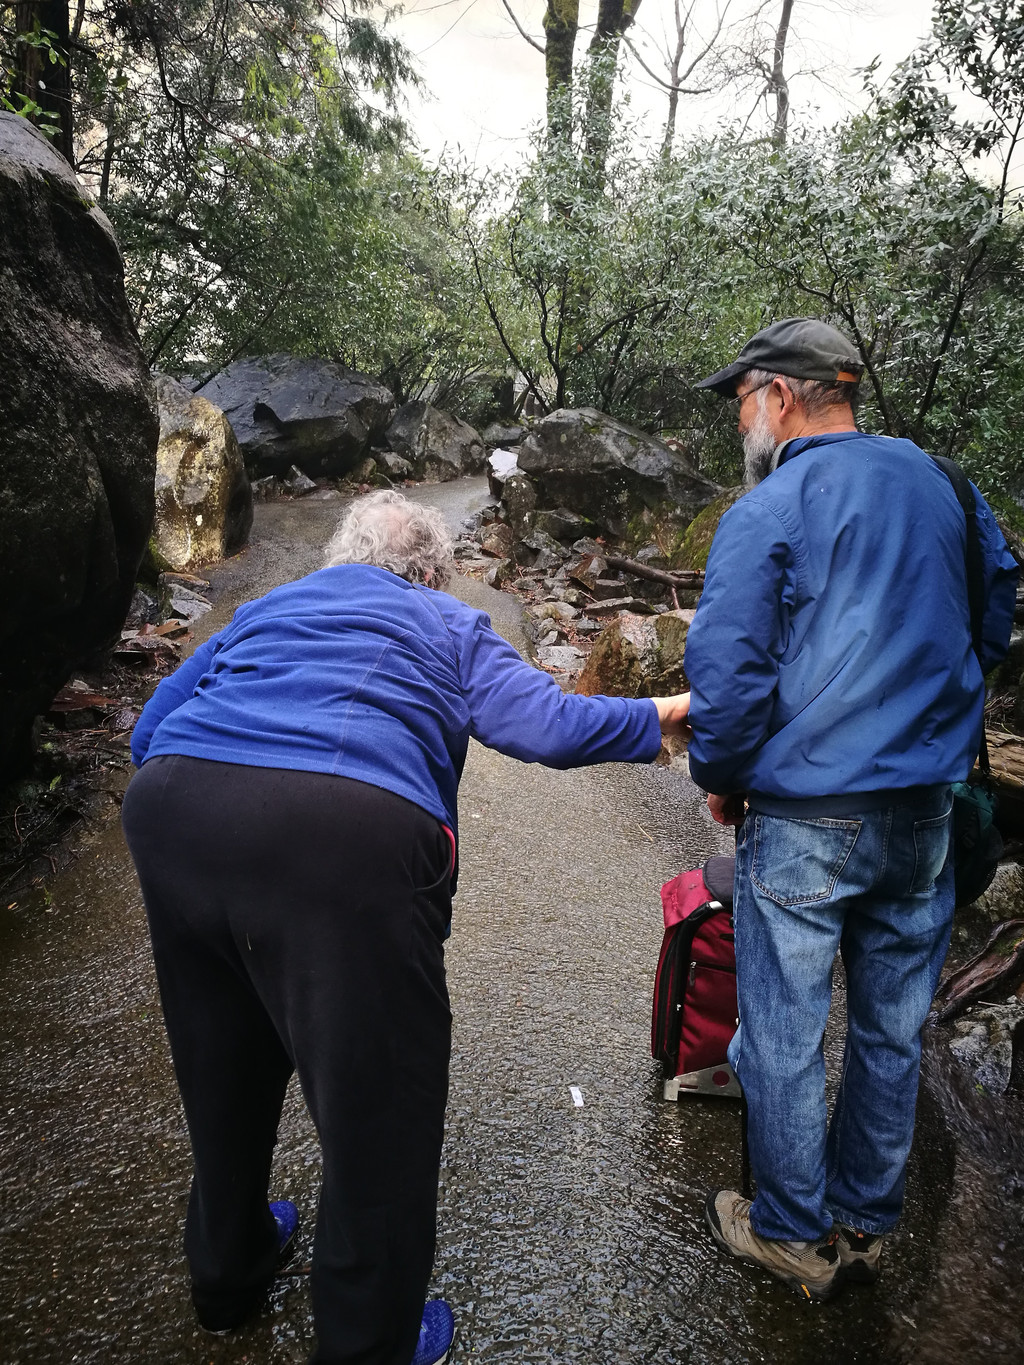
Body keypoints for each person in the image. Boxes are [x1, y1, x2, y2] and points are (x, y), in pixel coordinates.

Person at [121, 490, 692, 1365]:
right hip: (345, 833)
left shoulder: (268, 608)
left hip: (173, 810)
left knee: (220, 1059)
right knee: (377, 1110)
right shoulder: (442, 619)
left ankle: (227, 1272)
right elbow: (543, 723)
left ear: (340, 559)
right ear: (431, 572)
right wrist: (655, 717)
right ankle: (368, 1345)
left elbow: (150, 731)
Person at [683, 318, 1018, 1300]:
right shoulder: (946, 485)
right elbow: (994, 609)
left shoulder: (771, 504)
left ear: (780, 396)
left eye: (741, 399)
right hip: (919, 809)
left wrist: (723, 774)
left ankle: (791, 1232)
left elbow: (730, 671)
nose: (742, 419)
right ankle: (866, 1223)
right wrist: (931, 706)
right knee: (887, 1026)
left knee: (783, 1036)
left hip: (803, 816)